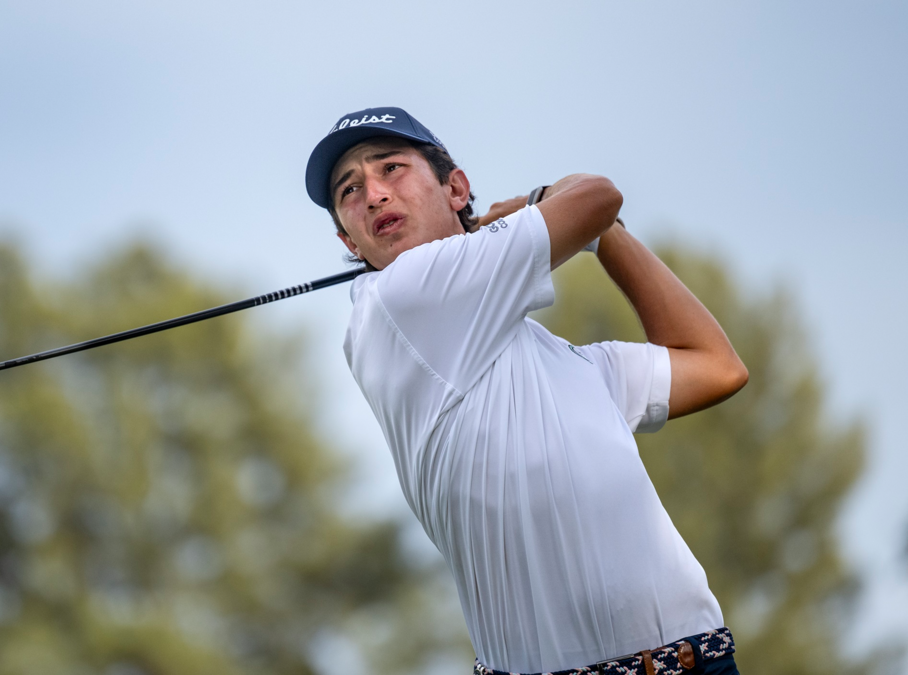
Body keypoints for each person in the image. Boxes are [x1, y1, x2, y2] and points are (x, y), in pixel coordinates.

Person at [304, 107, 749, 675]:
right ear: (349, 238)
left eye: (391, 168)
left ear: (456, 187)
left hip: (694, 660)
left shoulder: (565, 363)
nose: (373, 194)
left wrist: (605, 233)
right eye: (350, 190)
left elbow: (716, 368)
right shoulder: (397, 300)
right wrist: (546, 203)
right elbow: (597, 194)